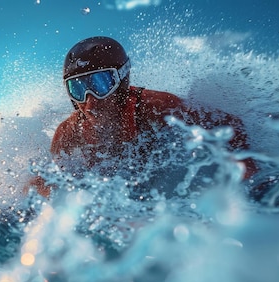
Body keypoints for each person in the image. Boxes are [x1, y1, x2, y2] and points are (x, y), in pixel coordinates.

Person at [27, 36, 257, 198]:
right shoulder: (68, 134)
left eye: (100, 84)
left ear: (122, 81)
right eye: (78, 88)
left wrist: (247, 175)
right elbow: (50, 181)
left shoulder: (157, 107)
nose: (90, 100)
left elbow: (230, 125)